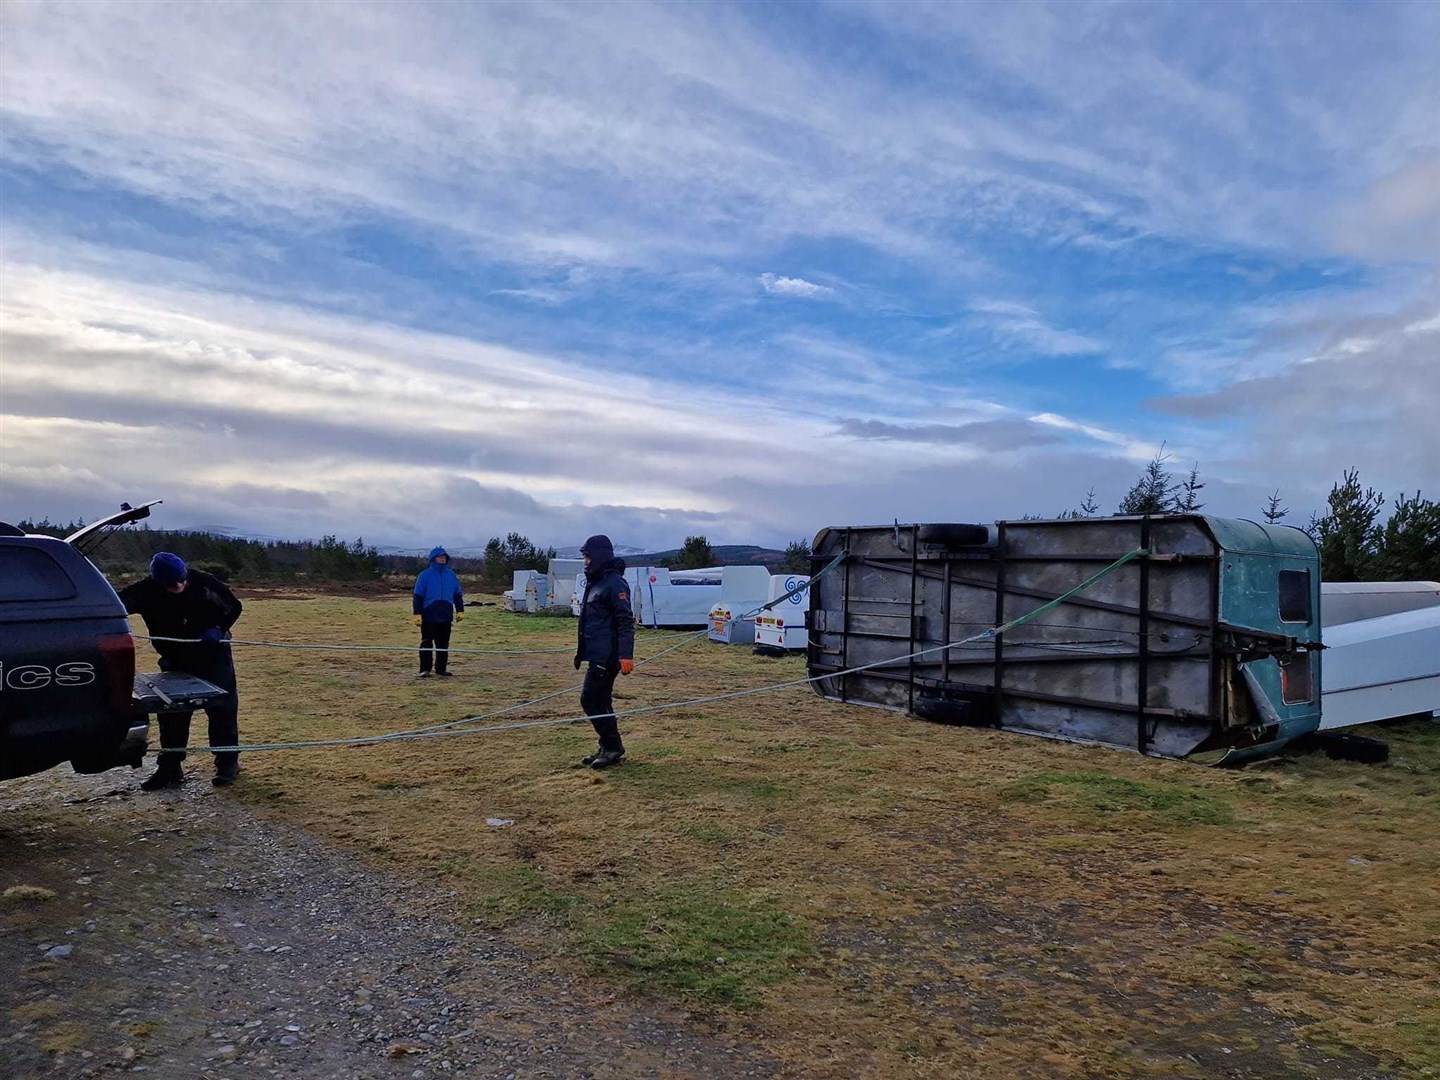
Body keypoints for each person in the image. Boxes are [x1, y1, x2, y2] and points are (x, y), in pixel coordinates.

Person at [119, 552, 243, 790]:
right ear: (157, 581)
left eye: (181, 580)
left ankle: (227, 763)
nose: (177, 586)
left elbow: (234, 606)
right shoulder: (144, 591)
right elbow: (115, 604)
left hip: (214, 657)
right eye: (170, 584)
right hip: (175, 660)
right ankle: (170, 767)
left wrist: (218, 628)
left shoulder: (204, 583)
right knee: (171, 714)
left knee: (222, 709)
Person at [573, 534, 635, 768]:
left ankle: (612, 747)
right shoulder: (596, 581)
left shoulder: (614, 583)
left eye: (587, 556)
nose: (585, 561)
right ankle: (608, 746)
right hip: (596, 653)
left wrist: (626, 654)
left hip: (608, 655)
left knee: (590, 699)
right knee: (599, 700)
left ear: (598, 556)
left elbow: (625, 621)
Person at [412, 546, 465, 677]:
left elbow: (457, 594)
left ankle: (441, 669)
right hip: (429, 615)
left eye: (444, 557)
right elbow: (417, 596)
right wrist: (417, 613)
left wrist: (460, 610)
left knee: (443, 644)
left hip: (446, 615)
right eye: (440, 557)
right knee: (426, 643)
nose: (443, 559)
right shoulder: (425, 576)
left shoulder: (451, 575)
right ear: (433, 559)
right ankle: (425, 669)